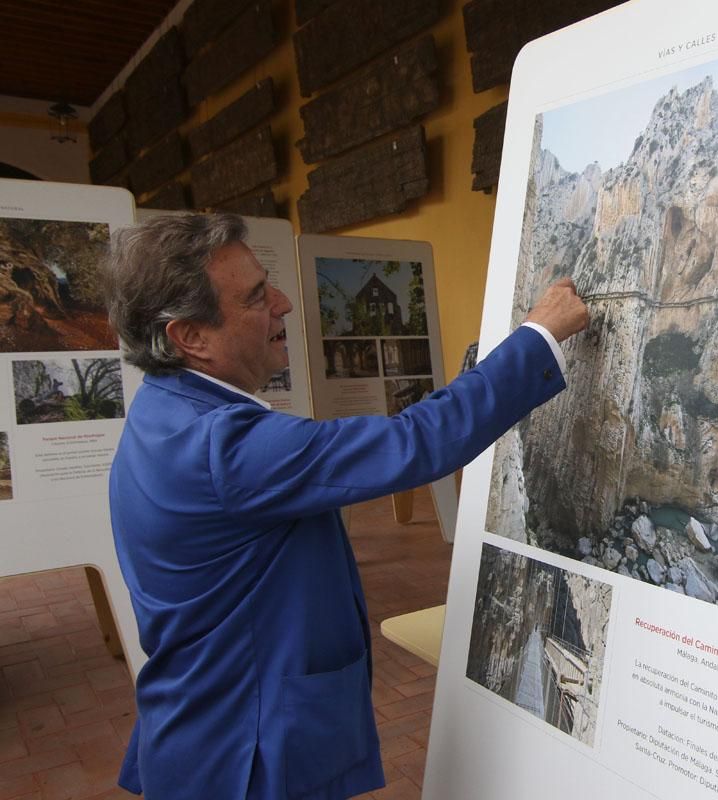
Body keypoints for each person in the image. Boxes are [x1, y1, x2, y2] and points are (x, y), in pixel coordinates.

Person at [101, 213, 588, 798]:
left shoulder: (164, 412)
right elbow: (414, 444)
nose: (282, 303)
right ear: (191, 337)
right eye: (256, 296)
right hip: (248, 753)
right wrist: (537, 336)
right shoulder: (222, 449)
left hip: (203, 729)